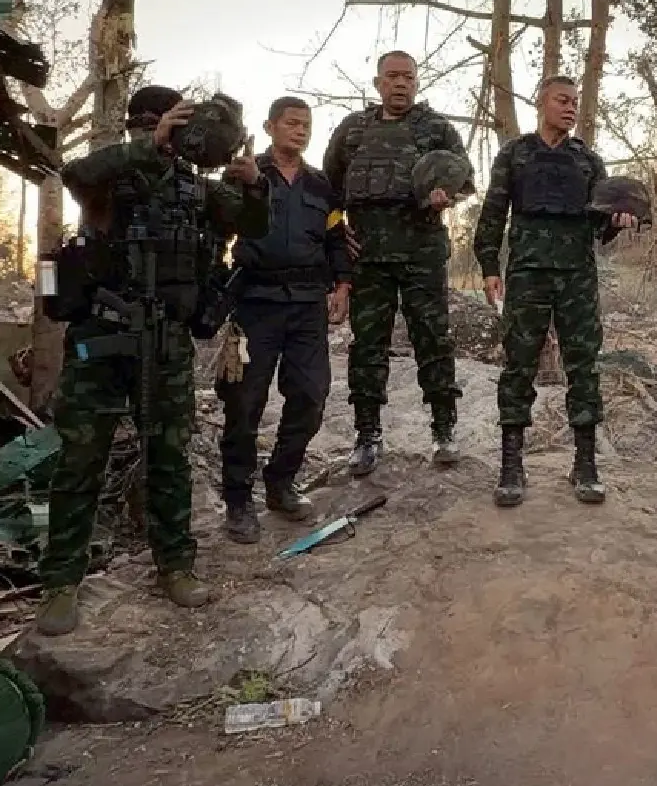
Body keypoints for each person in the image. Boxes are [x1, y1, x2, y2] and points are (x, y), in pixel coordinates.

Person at [36, 86, 270, 637]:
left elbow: (254, 224)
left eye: (163, 126)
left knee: (169, 459)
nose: (155, 135)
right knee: (80, 462)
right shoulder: (113, 174)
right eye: (149, 126)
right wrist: (151, 145)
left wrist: (253, 182)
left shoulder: (195, 189)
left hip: (165, 345)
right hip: (101, 341)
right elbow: (75, 173)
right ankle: (61, 582)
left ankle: (175, 565)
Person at [474, 76, 639, 508]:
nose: (570, 108)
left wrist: (618, 223)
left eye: (575, 102)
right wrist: (490, 266)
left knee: (583, 365)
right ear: (540, 103)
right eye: (562, 100)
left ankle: (585, 464)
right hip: (527, 274)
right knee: (518, 364)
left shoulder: (589, 162)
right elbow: (493, 211)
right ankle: (512, 465)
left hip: (577, 276)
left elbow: (602, 226)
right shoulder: (515, 153)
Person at [324, 51, 472, 476]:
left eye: (408, 77)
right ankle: (367, 434)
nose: (400, 84)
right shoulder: (352, 131)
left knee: (433, 339)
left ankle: (444, 429)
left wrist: (449, 195)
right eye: (392, 77)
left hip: (421, 251)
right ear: (378, 83)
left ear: (417, 82)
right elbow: (328, 192)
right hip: (367, 256)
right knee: (368, 346)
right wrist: (336, 233)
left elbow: (466, 178)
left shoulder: (437, 129)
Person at [213, 97, 351, 545]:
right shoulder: (245, 175)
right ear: (270, 126)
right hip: (256, 302)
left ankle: (280, 482)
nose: (300, 131)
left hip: (308, 304)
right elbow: (217, 228)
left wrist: (343, 285)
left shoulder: (319, 185)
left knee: (311, 395)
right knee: (244, 401)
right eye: (291, 123)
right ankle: (238, 500)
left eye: (306, 125)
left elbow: (334, 239)